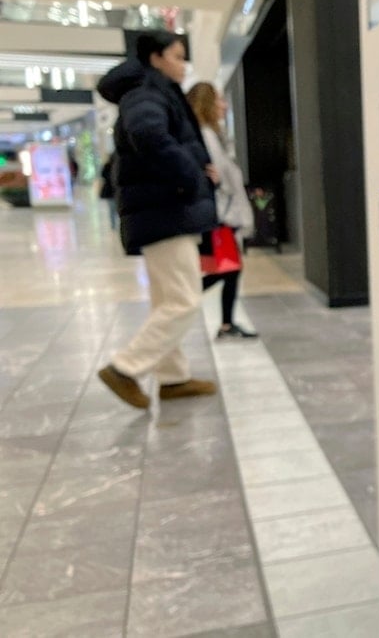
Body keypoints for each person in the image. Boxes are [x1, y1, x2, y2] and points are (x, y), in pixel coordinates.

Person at [94, 31, 219, 409]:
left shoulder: (150, 91)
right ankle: (126, 368)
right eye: (178, 56)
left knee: (167, 298)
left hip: (163, 210)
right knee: (183, 300)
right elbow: (149, 135)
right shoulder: (147, 94)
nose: (183, 64)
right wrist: (193, 174)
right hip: (166, 211)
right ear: (155, 58)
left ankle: (172, 378)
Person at [185, 81, 258, 339]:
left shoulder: (211, 135)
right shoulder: (206, 136)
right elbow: (218, 178)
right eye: (219, 100)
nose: (224, 105)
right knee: (228, 268)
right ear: (206, 103)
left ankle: (226, 324)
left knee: (229, 269)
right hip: (221, 215)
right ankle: (183, 301)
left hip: (223, 214)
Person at [99, 153, 119, 230]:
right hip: (114, 191)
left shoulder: (107, 166)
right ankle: (114, 224)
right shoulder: (115, 167)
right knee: (115, 208)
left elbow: (103, 175)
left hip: (111, 191)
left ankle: (113, 224)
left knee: (112, 208)